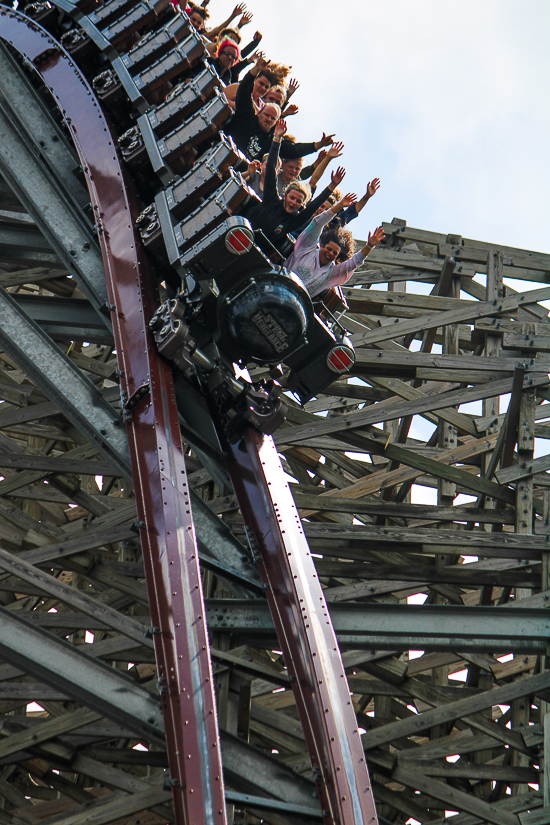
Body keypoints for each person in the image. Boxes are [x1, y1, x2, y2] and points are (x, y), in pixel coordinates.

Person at [242, 119, 344, 254]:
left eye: (298, 201)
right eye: (292, 198)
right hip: (242, 234)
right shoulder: (271, 199)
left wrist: (332, 186)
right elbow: (272, 167)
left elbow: (314, 206)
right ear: (284, 196)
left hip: (255, 251)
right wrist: (277, 138)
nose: (294, 202)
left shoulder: (294, 221)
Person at [225, 58, 334, 161]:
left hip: (239, 167)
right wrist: (256, 69)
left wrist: (320, 144)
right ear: (259, 112)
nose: (268, 119)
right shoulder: (248, 115)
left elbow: (294, 150)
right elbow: (244, 90)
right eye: (266, 115)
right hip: (224, 148)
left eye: (273, 118)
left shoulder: (270, 141)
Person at [285, 193, 385, 297]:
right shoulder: (307, 247)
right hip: (281, 282)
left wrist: (369, 246)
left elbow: (354, 262)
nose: (330, 253)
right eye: (329, 249)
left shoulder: (330, 273)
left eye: (334, 253)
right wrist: (340, 205)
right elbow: (317, 223)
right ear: (322, 245)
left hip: (295, 300)